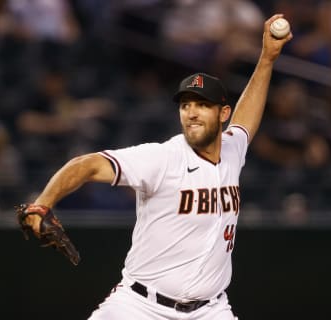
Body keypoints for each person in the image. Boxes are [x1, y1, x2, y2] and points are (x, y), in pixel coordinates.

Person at [20, 14, 292, 320]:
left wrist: (267, 58)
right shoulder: (162, 157)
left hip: (211, 310)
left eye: (202, 105)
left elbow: (246, 119)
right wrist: (43, 204)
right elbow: (88, 165)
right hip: (141, 306)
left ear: (222, 113)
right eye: (186, 105)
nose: (192, 113)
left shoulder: (232, 149)